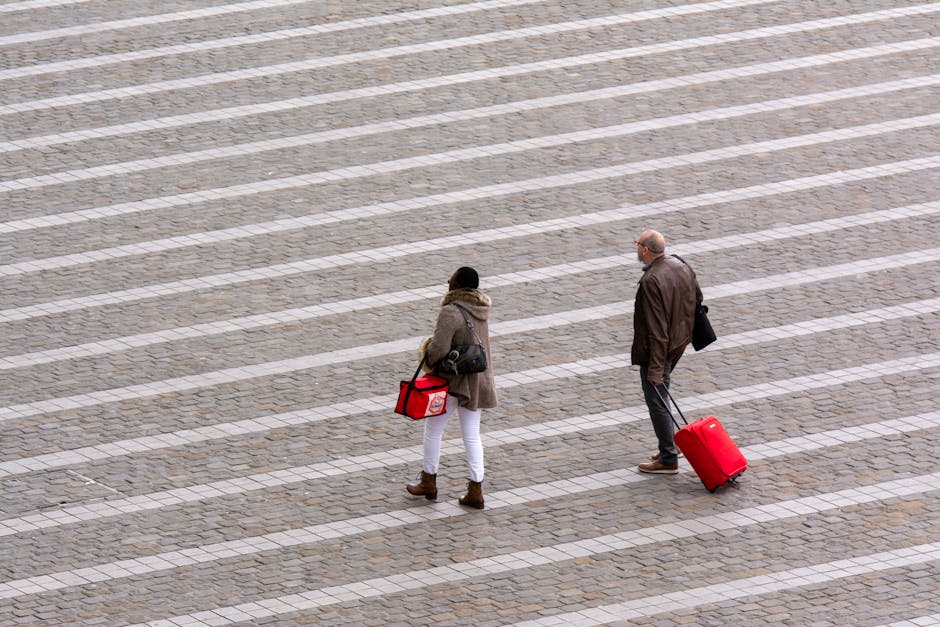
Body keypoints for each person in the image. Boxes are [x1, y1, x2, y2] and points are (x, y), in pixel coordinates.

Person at [406, 266, 498, 509]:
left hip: (452, 382)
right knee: (472, 435)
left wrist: (426, 353)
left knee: (433, 430)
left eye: (451, 280)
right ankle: (476, 489)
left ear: (456, 285)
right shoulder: (482, 309)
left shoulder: (451, 312)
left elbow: (438, 350)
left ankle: (429, 481)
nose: (448, 283)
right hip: (477, 381)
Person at [631, 230, 702, 474]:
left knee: (657, 398)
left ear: (646, 250)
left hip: (661, 350)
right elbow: (697, 297)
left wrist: (656, 368)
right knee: (662, 392)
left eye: (637, 244)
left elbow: (657, 329)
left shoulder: (651, 280)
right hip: (680, 341)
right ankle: (670, 444)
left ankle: (668, 458)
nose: (636, 248)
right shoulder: (680, 264)